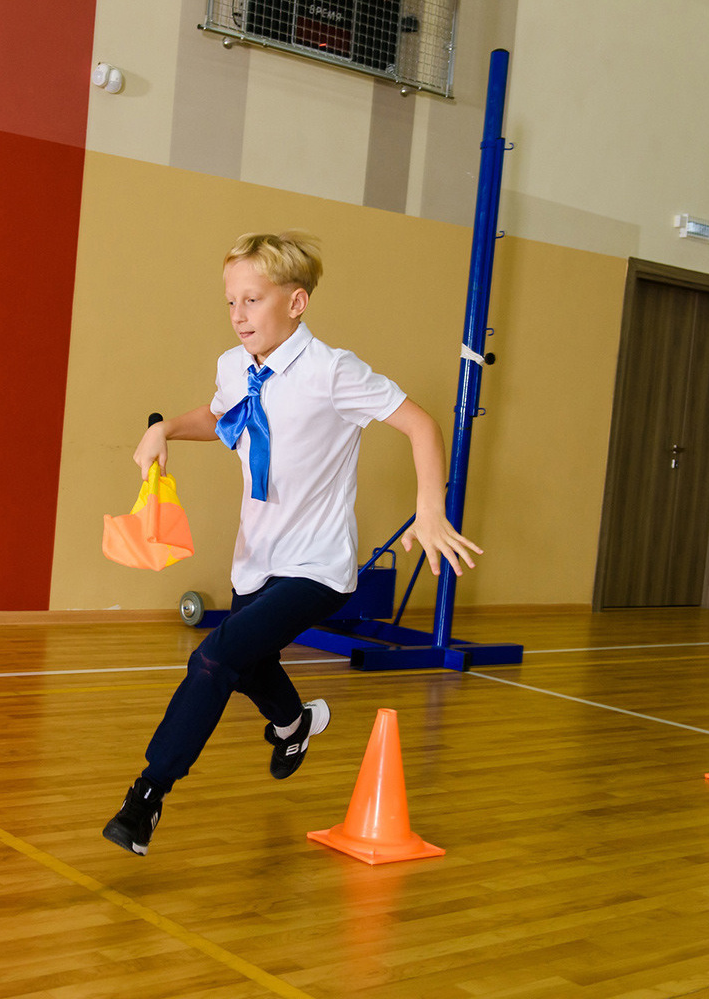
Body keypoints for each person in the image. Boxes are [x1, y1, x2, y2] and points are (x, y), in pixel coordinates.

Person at [102, 230, 483, 856]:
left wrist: (430, 508)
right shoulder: (235, 366)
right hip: (256, 558)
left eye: (252, 300)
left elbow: (420, 423)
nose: (238, 315)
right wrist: (165, 427)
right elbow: (221, 415)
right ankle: (294, 722)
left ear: (296, 302)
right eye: (230, 302)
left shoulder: (333, 371)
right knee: (249, 660)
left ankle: (146, 799)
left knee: (214, 659)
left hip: (317, 566)